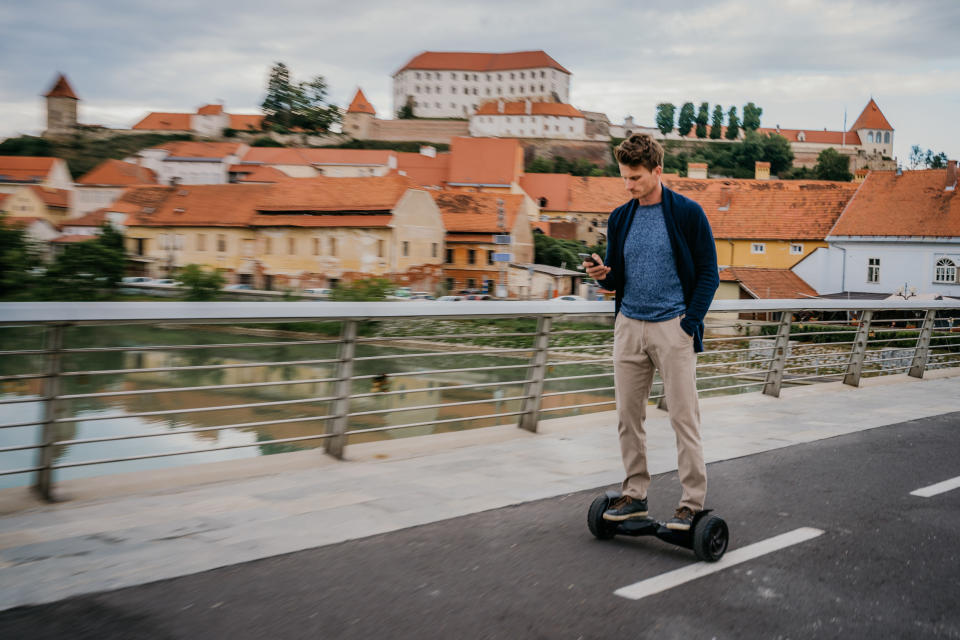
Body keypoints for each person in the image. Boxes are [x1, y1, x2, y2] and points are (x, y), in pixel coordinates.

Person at [584, 133, 719, 531]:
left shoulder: (688, 214)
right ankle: (635, 495)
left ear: (658, 171)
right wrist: (601, 276)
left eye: (636, 178)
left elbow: (709, 275)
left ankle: (691, 503)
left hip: (672, 328)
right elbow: (616, 279)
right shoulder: (620, 217)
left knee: (683, 418)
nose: (629, 186)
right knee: (628, 417)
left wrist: (687, 326)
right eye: (625, 178)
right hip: (629, 326)